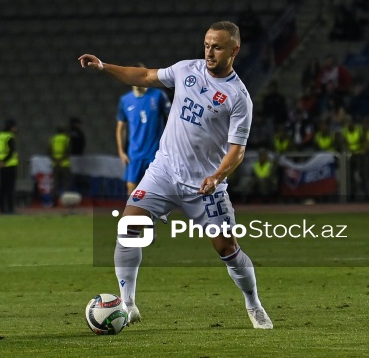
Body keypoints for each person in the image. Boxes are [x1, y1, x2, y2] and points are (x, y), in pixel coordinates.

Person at [78, 21, 273, 329]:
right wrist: (104, 66)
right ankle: (127, 305)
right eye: (207, 45)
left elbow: (237, 150)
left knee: (227, 249)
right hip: (164, 171)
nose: (209, 52)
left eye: (217, 47)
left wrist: (218, 176)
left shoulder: (238, 97)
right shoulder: (186, 70)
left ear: (234, 50)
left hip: (205, 185)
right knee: (128, 229)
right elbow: (142, 75)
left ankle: (254, 303)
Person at [116, 68, 170, 195]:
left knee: (155, 191)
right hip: (134, 154)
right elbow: (120, 128)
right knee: (131, 189)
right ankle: (134, 215)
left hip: (155, 153)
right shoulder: (125, 100)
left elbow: (171, 120)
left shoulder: (158, 95)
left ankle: (156, 215)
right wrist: (121, 151)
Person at [0, 119, 18, 214]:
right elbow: (11, 152)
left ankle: (2, 209)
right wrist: (4, 161)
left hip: (1, 166)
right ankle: (10, 209)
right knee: (10, 188)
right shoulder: (10, 137)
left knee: (2, 188)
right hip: (10, 165)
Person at [48, 125, 72, 205]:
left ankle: (54, 202)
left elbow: (49, 151)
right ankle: (66, 202)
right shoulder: (66, 139)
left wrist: (55, 160)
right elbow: (68, 151)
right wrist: (61, 160)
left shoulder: (52, 139)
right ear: (64, 131)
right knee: (66, 183)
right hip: (64, 164)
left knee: (55, 183)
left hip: (55, 164)